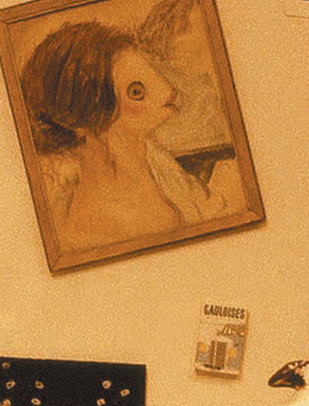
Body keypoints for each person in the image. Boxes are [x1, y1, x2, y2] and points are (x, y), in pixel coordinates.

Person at [21, 19, 235, 252]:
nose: (167, 89)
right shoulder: (100, 220)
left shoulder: (155, 159)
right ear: (91, 121)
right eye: (137, 91)